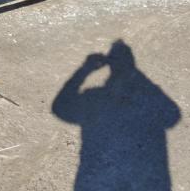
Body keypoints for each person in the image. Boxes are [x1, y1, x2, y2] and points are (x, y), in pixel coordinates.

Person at [52, 40, 181, 190]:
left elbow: (60, 108)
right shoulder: (99, 97)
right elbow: (173, 116)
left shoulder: (93, 98)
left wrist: (84, 70)